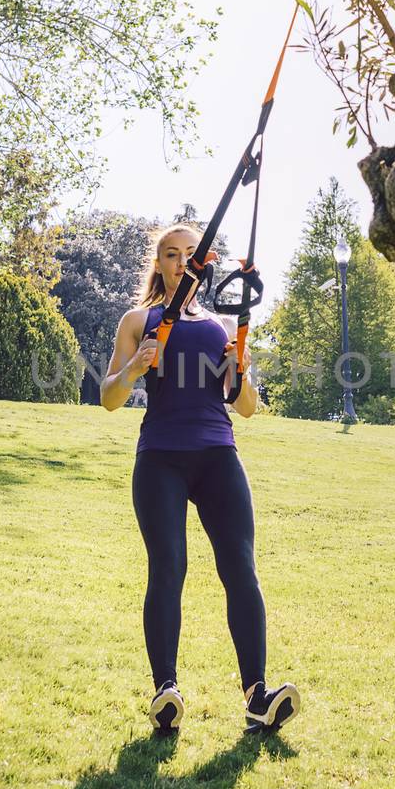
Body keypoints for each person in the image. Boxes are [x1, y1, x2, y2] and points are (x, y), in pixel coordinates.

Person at [101, 222, 299, 736]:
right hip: (161, 458)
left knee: (240, 569)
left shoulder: (218, 327)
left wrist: (243, 371)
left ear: (204, 265)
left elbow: (247, 408)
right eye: (172, 255)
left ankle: (258, 695)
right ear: (161, 264)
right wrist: (135, 369)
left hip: (218, 457)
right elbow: (108, 397)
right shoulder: (139, 320)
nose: (183, 263)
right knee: (169, 567)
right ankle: (165, 691)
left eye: (192, 254)